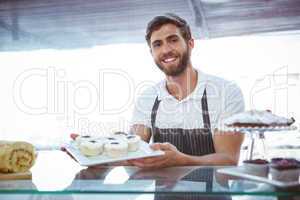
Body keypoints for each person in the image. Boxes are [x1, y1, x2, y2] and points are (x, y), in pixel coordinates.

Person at [129, 13, 245, 169]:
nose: (166, 50)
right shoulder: (147, 99)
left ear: (190, 43)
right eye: (157, 44)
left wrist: (181, 160)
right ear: (151, 52)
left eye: (173, 40)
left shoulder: (226, 92)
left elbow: (228, 158)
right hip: (164, 193)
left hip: (213, 192)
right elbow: (131, 152)